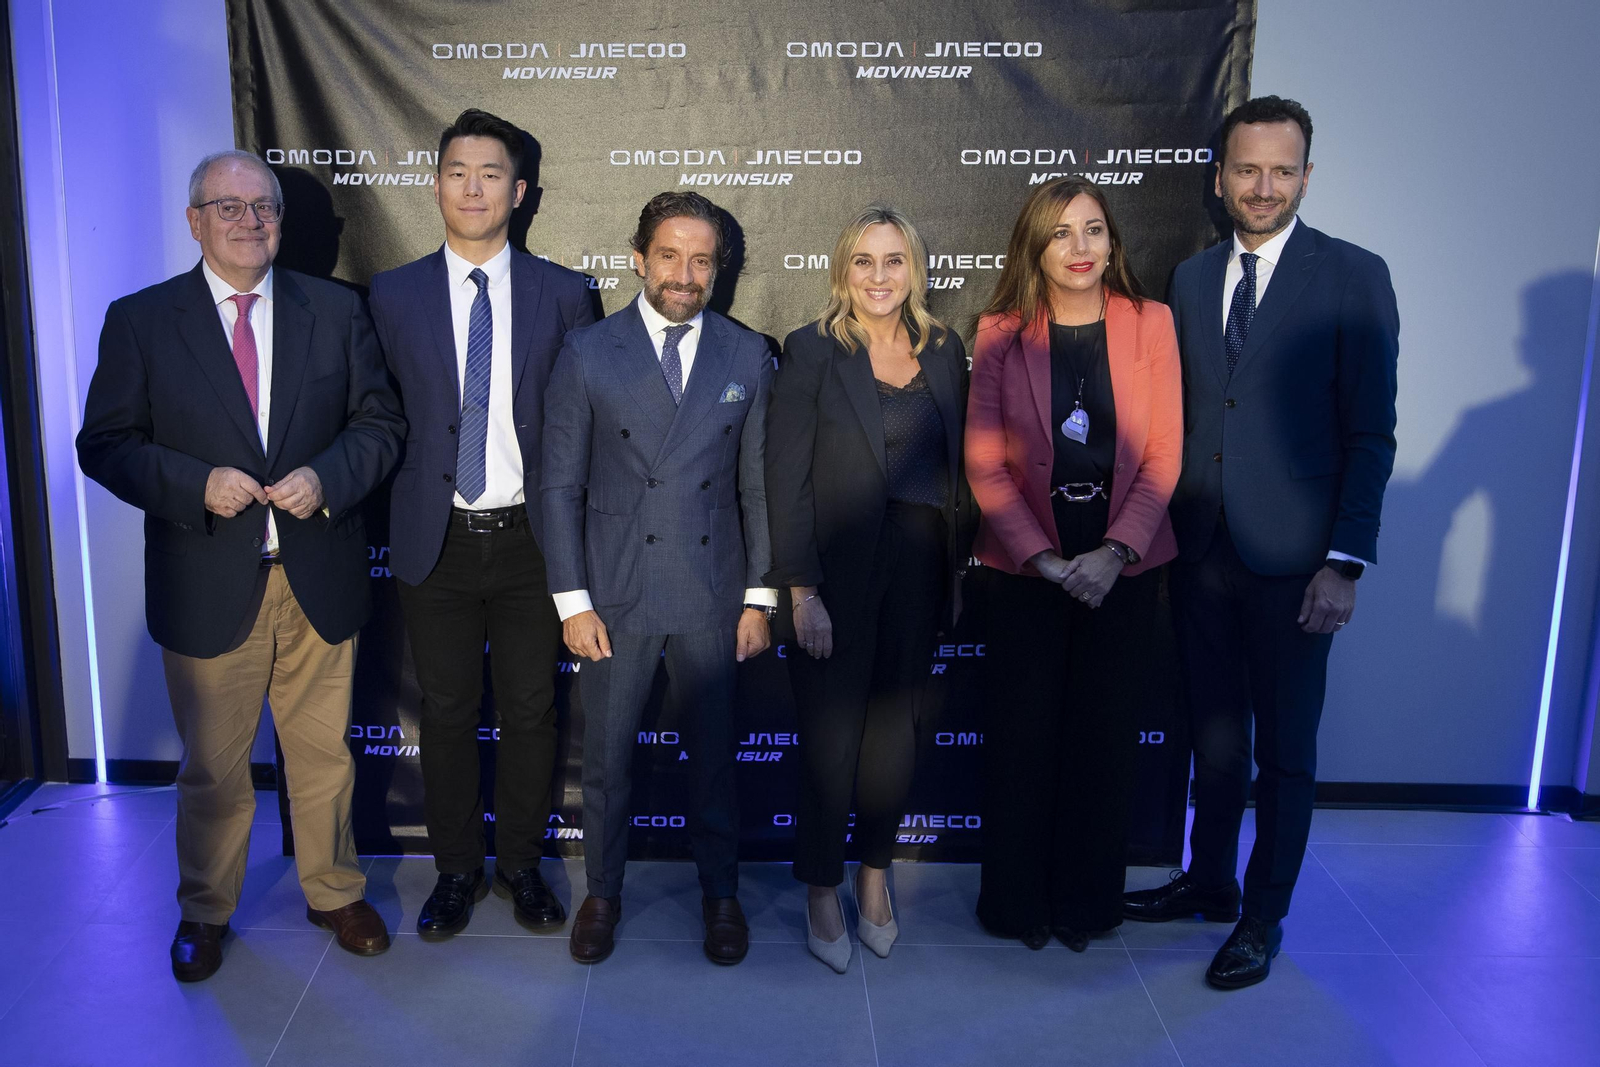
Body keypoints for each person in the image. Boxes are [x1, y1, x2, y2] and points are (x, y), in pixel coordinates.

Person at [77, 149, 404, 980]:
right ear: (195, 221)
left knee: (324, 755)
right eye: (229, 207)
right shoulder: (142, 319)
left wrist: (325, 477)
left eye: (264, 207)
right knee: (214, 769)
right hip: (206, 580)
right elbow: (105, 443)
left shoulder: (335, 309)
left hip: (317, 575)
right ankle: (206, 908)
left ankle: (334, 890)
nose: (250, 221)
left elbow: (380, 425)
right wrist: (196, 484)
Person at [1123, 96, 1399, 989]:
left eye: (1283, 170)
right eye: (1248, 169)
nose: (1265, 186)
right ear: (1220, 178)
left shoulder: (1354, 275)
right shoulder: (1191, 277)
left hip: (1299, 566)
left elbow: (1371, 435)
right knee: (1212, 740)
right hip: (1201, 551)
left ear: (1307, 177)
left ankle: (1262, 915)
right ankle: (1209, 880)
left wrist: (1344, 562)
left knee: (1284, 753)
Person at [368, 109, 594, 940]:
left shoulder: (564, 293)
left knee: (533, 711)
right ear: (436, 185)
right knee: (448, 712)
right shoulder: (390, 294)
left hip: (534, 540)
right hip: (437, 538)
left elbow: (581, 426)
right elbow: (375, 416)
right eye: (457, 172)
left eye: (490, 174)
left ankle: (521, 866)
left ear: (519, 191)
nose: (473, 188)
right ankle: (457, 868)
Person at [542, 191, 775, 966]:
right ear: (639, 258)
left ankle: (721, 893)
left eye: (702, 260)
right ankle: (603, 893)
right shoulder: (587, 351)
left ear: (719, 269)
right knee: (608, 761)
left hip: (713, 589)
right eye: (670, 255)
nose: (685, 273)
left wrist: (759, 596)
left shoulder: (746, 354)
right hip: (615, 590)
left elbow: (757, 486)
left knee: (713, 759)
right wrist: (572, 601)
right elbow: (558, 486)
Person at [965, 177, 1182, 953]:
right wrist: (1046, 560)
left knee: (1103, 738)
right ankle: (1016, 903)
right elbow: (985, 463)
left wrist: (1115, 551)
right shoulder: (1000, 331)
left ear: (1113, 242)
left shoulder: (1151, 322)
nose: (1080, 247)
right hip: (1027, 562)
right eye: (1060, 232)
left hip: (1124, 559)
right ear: (1035, 247)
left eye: (1093, 229)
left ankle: (1085, 904)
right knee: (1022, 740)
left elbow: (1164, 453)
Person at [765, 206, 969, 973]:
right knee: (831, 739)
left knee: (894, 736)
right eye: (864, 261)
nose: (879, 277)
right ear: (842, 270)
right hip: (836, 571)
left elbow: (958, 471)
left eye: (894, 260)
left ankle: (874, 874)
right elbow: (785, 478)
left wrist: (956, 571)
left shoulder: (944, 349)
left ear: (914, 270)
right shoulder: (813, 348)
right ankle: (822, 885)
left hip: (921, 566)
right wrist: (802, 591)